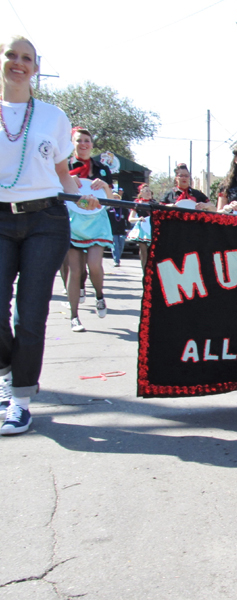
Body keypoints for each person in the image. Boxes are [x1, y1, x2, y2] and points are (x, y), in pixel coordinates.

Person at [1, 36, 99, 434]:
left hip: (46, 220)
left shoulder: (52, 117)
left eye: (27, 58)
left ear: (36, 68)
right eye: (12, 55)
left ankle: (19, 399)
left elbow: (62, 175)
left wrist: (83, 199)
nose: (18, 63)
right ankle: (8, 365)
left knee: (32, 309)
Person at [66, 127, 114, 333]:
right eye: (79, 140)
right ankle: (74, 316)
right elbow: (52, 192)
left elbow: (111, 201)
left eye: (87, 140)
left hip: (97, 222)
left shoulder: (102, 169)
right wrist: (66, 181)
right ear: (72, 143)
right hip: (72, 222)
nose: (83, 144)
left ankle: (99, 295)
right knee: (75, 271)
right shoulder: (63, 166)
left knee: (95, 265)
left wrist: (105, 186)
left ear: (92, 144)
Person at [127, 184, 156, 270]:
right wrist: (139, 219)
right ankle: (144, 269)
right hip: (142, 229)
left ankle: (152, 269)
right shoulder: (137, 204)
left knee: (153, 250)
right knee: (143, 251)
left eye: (149, 191)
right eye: (146, 191)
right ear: (141, 193)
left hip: (153, 228)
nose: (148, 193)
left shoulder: (154, 203)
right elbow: (130, 218)